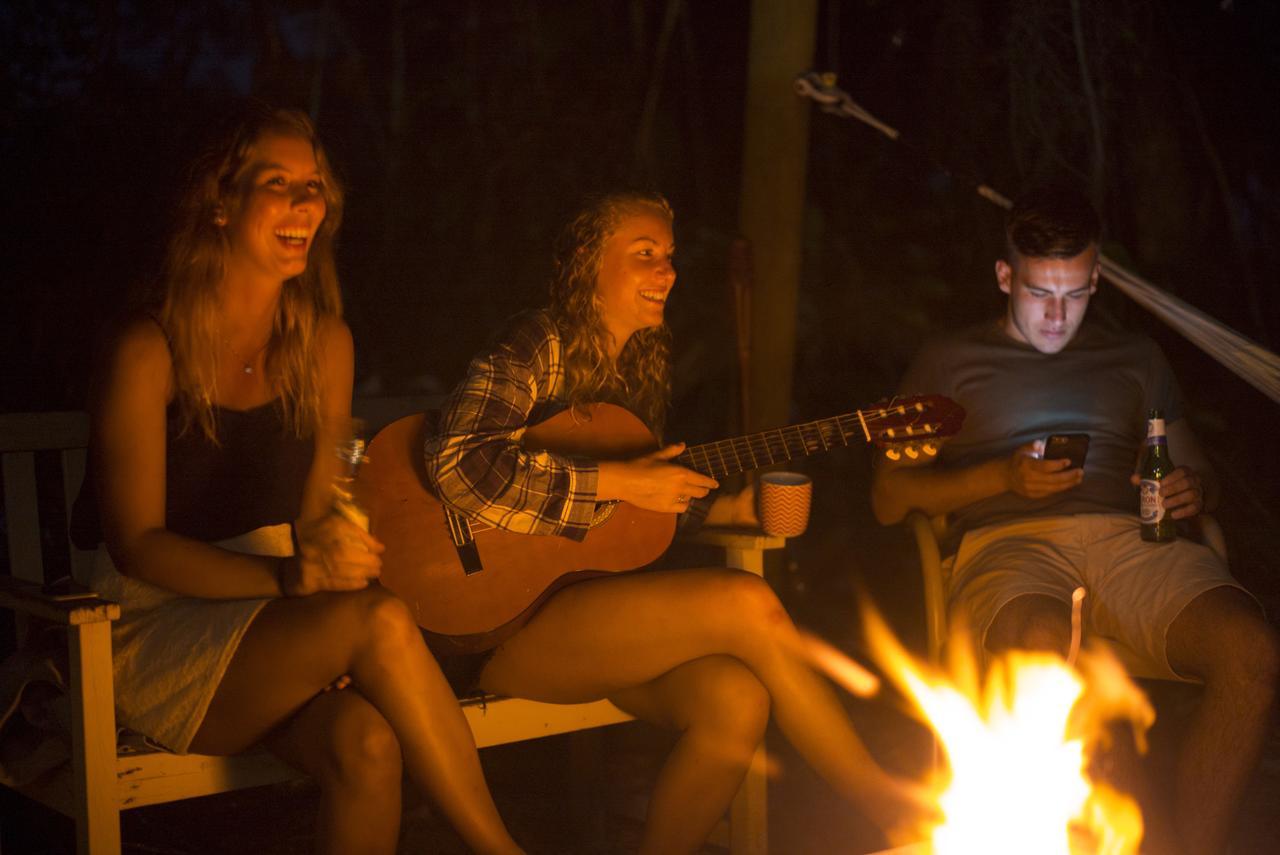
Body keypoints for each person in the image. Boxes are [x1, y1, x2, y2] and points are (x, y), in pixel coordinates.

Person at [73, 104, 524, 854]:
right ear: (218, 202)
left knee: (367, 744)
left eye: (313, 185)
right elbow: (137, 547)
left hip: (275, 621)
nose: (304, 203)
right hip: (149, 630)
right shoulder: (145, 348)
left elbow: (322, 508)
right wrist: (297, 585)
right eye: (276, 182)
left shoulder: (325, 345)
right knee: (377, 620)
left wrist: (339, 552)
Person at [423, 190, 924, 854]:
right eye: (644, 254)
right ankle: (887, 808)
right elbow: (459, 460)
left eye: (670, 256)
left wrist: (722, 509)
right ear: (584, 263)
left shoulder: (639, 367)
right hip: (495, 620)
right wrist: (624, 478)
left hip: (583, 610)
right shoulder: (539, 341)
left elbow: (616, 519)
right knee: (745, 601)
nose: (667, 272)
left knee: (736, 699)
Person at [870, 186, 1279, 855]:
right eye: (1038, 293)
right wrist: (1002, 477)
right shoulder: (948, 360)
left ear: (1094, 280)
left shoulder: (1137, 358)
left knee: (1253, 654)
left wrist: (1190, 490)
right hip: (1010, 543)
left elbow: (1202, 477)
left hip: (1133, 545)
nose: (1057, 316)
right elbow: (888, 498)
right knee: (1044, 638)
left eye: (1074, 294)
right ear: (1005, 276)